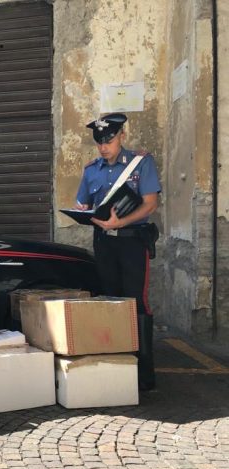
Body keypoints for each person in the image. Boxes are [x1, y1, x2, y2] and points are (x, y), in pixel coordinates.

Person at [75, 113, 161, 391]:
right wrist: (83, 212)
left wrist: (120, 223)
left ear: (121, 135)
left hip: (132, 241)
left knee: (136, 302)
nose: (103, 147)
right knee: (109, 300)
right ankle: (116, 366)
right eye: (99, 142)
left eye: (109, 140)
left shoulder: (141, 163)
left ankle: (143, 373)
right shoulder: (91, 170)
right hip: (105, 243)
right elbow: (83, 204)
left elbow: (150, 204)